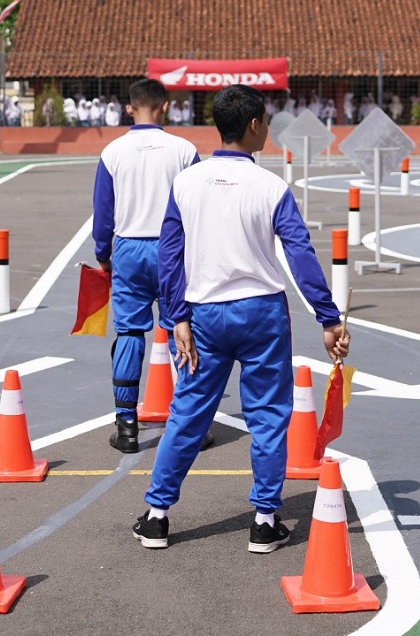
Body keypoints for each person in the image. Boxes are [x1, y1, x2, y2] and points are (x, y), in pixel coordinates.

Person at [133, 84, 349, 553]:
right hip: (262, 313)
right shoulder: (271, 187)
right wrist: (328, 317)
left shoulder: (187, 182)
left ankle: (157, 517)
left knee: (187, 414)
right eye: (267, 121)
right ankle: (265, 521)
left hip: (203, 314)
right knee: (269, 417)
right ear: (254, 126)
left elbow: (170, 256)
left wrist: (176, 318)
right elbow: (299, 253)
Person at [94, 79, 202, 454]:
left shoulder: (112, 152)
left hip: (128, 248)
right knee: (182, 331)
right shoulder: (185, 150)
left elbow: (103, 213)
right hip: (173, 250)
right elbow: (199, 207)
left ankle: (126, 427)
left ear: (128, 109)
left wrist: (103, 254)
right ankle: (192, 427)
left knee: (128, 334)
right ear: (166, 107)